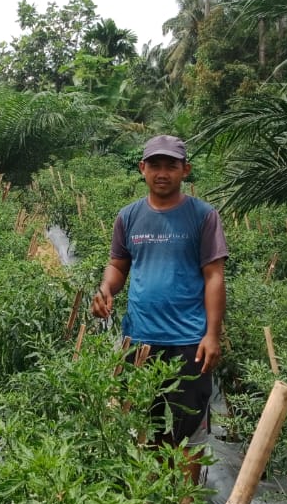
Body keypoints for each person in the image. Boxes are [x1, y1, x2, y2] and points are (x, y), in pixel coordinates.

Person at [90, 134, 227, 486]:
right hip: (139, 340)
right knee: (143, 425)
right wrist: (106, 289)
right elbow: (118, 266)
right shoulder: (129, 216)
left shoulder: (203, 216)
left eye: (171, 165)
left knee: (188, 433)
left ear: (186, 170)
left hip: (188, 342)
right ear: (142, 169)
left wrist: (212, 335)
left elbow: (214, 277)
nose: (162, 172)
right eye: (155, 165)